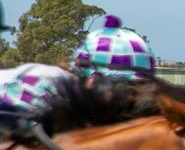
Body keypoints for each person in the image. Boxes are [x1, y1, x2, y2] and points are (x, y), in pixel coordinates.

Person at [0, 16, 157, 128]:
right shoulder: (41, 84)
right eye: (123, 87)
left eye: (138, 87)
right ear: (92, 80)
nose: (129, 99)